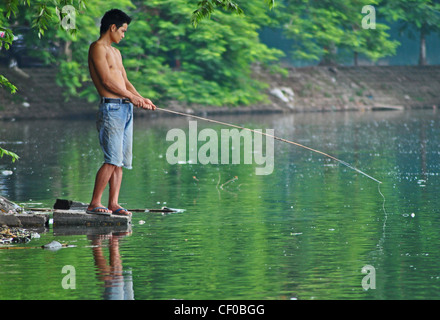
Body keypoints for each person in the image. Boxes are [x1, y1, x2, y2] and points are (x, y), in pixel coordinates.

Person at [86, 9, 156, 216]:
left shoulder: (116, 52)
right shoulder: (98, 48)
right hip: (111, 108)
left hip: (125, 109)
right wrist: (131, 97)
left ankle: (113, 204)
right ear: (112, 27)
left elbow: (125, 81)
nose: (123, 35)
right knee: (111, 159)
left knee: (121, 161)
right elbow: (107, 81)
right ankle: (94, 203)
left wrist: (141, 98)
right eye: (123, 31)